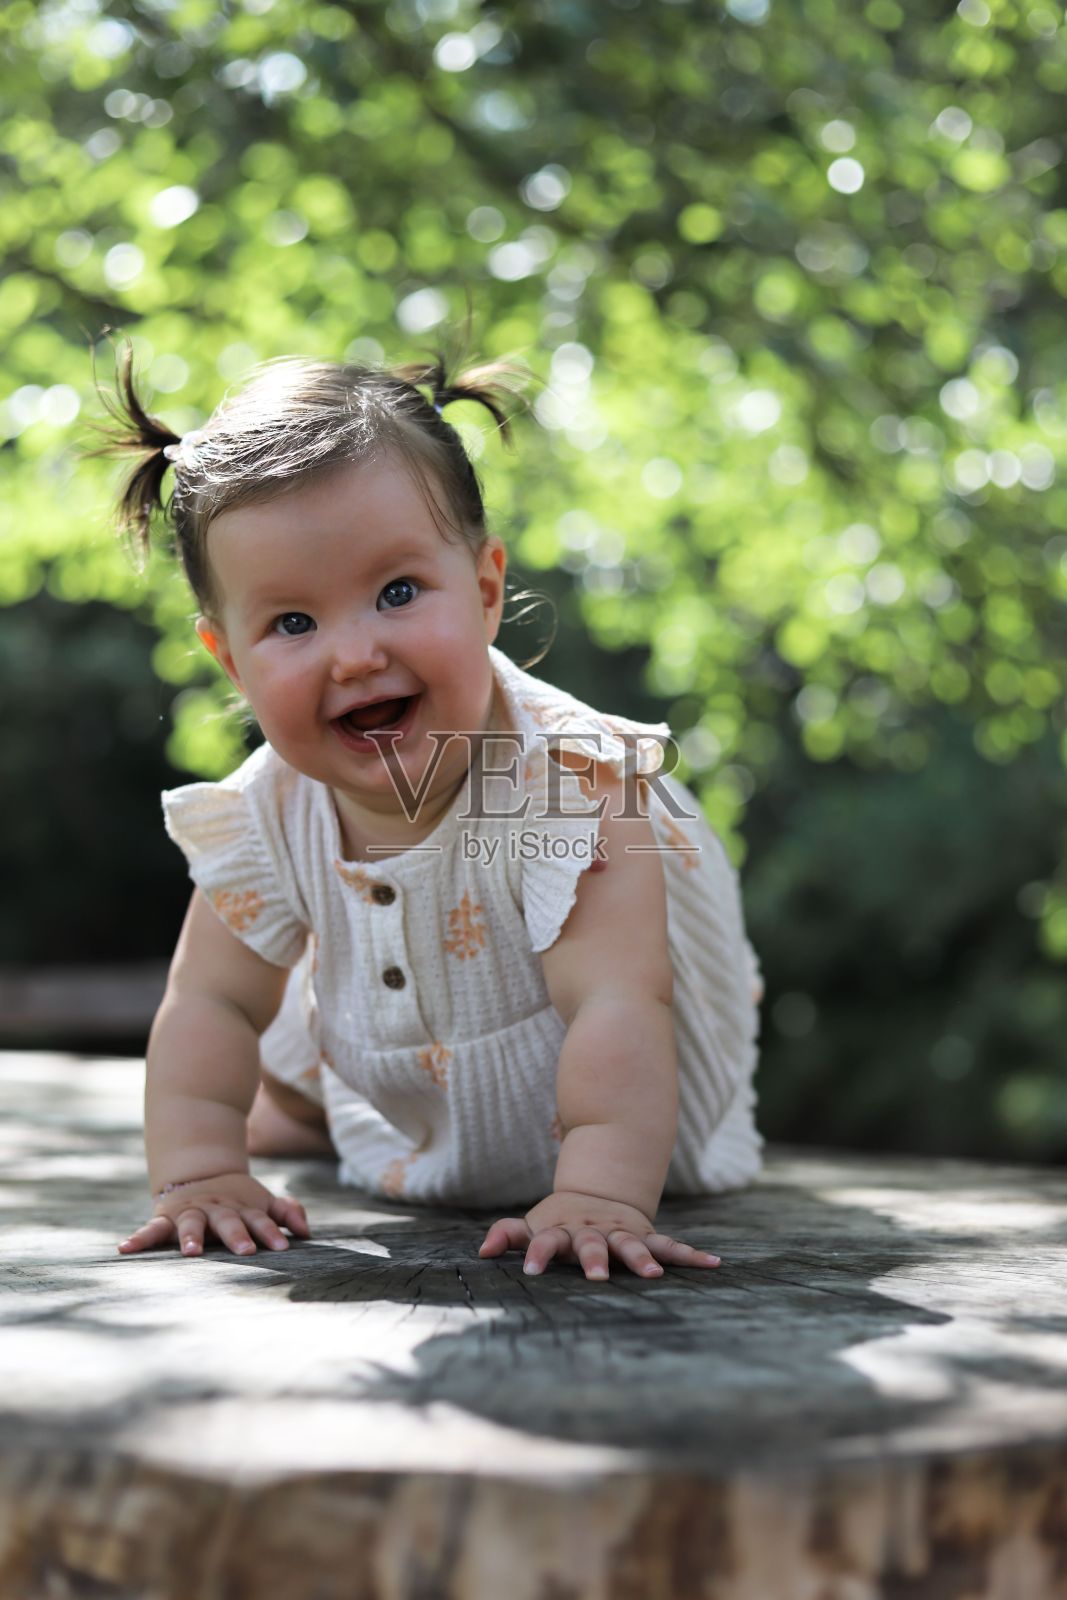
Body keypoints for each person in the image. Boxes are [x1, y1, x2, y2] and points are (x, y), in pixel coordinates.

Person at [107, 348, 763, 1281]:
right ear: (230, 663)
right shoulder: (270, 811)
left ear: (486, 590)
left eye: (397, 593)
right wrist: (201, 1175)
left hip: (639, 1144)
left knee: (559, 1029)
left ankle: (339, 1117)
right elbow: (209, 1003)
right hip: (418, 1123)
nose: (355, 654)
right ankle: (297, 1109)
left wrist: (602, 1195)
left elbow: (618, 1001)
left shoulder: (557, 787)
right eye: (293, 623)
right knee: (297, 1032)